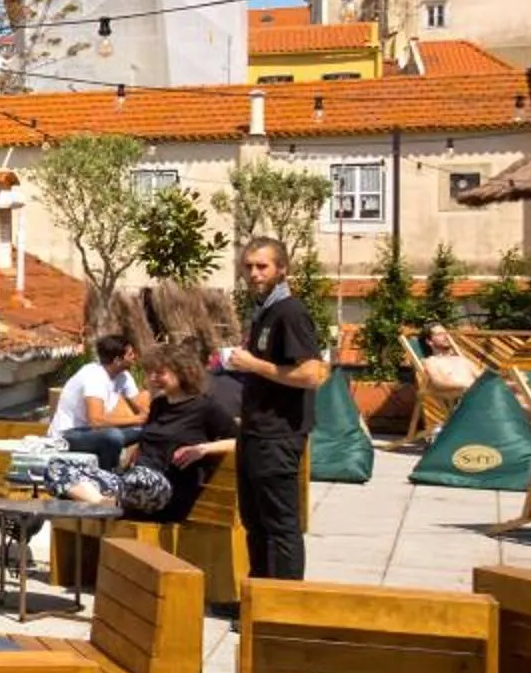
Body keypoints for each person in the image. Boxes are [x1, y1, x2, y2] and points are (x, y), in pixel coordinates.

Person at [222, 237, 328, 579]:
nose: (254, 273)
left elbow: (312, 374)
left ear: (282, 269)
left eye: (262, 266)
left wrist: (254, 364)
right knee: (255, 521)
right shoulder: (265, 310)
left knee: (280, 524)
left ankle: (283, 605)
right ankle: (257, 599)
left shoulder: (290, 312)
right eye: (249, 266)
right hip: (255, 431)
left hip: (278, 435)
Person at [58, 343, 235, 521]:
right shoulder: (159, 405)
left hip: (166, 489)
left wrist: (203, 449)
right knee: (58, 468)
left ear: (182, 372)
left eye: (160, 373)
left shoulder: (206, 408)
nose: (152, 378)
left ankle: (111, 503)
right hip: (133, 485)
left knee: (142, 479)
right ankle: (106, 503)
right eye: (150, 373)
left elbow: (239, 440)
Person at [48, 334, 145, 464]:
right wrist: (136, 419)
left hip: (94, 433)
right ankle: (108, 475)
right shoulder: (94, 376)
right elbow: (95, 420)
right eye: (130, 355)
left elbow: (142, 409)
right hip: (70, 434)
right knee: (113, 436)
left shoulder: (124, 377)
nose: (135, 358)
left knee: (148, 430)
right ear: (117, 360)